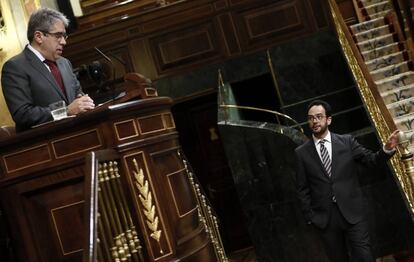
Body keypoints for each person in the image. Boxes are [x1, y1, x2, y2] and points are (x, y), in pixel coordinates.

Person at [295, 99, 399, 262]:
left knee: (365, 258)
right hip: (325, 220)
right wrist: (311, 217)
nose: (315, 121)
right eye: (311, 118)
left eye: (319, 117)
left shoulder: (347, 142)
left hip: (353, 214)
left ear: (328, 119)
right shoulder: (301, 153)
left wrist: (387, 149)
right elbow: (302, 188)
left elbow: (370, 160)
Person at [1, 7, 94, 132]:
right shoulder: (15, 67)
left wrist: (85, 102)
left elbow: (78, 97)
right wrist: (66, 111)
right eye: (58, 36)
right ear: (39, 37)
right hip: (44, 143)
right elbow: (23, 114)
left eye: (64, 36)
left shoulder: (64, 63)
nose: (64, 42)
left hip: (79, 133)